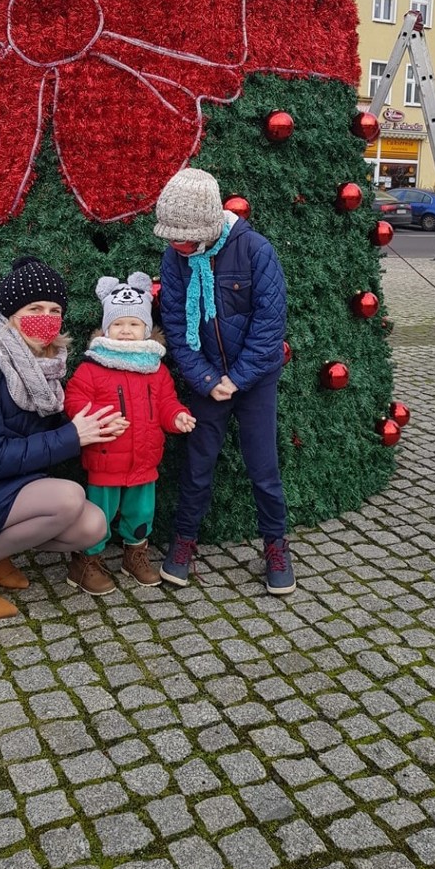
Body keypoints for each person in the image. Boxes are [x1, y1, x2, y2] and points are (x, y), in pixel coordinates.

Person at [0, 256, 126, 620]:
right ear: (10, 313)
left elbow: (42, 438)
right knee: (68, 497)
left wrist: (91, 426)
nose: (45, 317)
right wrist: (73, 436)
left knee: (93, 526)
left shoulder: (46, 365)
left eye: (54, 309)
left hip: (4, 487)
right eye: (34, 308)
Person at [153, 168, 296, 595]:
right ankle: (183, 543)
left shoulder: (255, 250)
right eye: (172, 238)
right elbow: (176, 324)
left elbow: (270, 325)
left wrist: (237, 379)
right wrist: (205, 377)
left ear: (210, 226)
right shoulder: (175, 257)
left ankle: (276, 546)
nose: (178, 246)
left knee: (263, 469)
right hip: (207, 379)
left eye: (185, 238)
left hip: (254, 378)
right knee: (197, 467)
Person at [64, 272, 195, 595]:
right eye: (118, 324)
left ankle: (134, 555)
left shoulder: (156, 368)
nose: (125, 331)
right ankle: (85, 561)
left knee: (141, 513)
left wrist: (177, 416)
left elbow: (166, 402)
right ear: (107, 328)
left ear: (146, 330)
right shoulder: (92, 368)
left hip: (144, 460)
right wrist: (99, 420)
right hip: (105, 459)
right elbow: (74, 401)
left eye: (134, 325)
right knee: (98, 515)